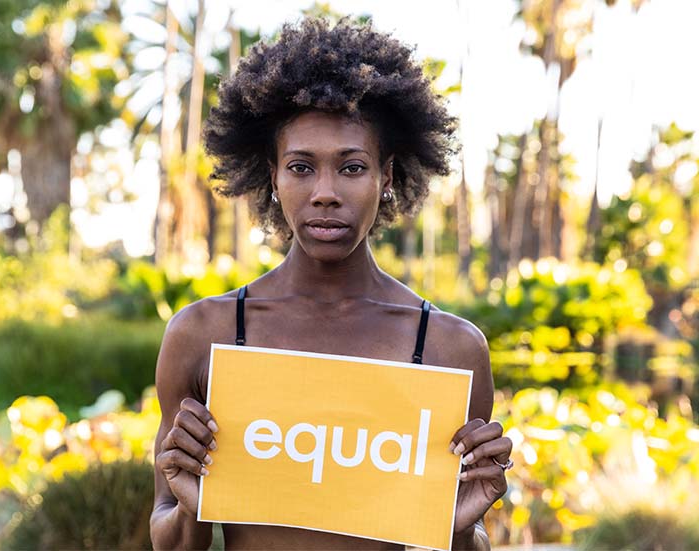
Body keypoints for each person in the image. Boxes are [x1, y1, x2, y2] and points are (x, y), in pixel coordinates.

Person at [150, 18, 513, 550]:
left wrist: (461, 527)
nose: (324, 192)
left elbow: (466, 542)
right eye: (300, 167)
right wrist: (190, 506)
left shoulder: (449, 349)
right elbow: (175, 541)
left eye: (351, 167)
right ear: (270, 175)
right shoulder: (204, 334)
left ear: (385, 178)